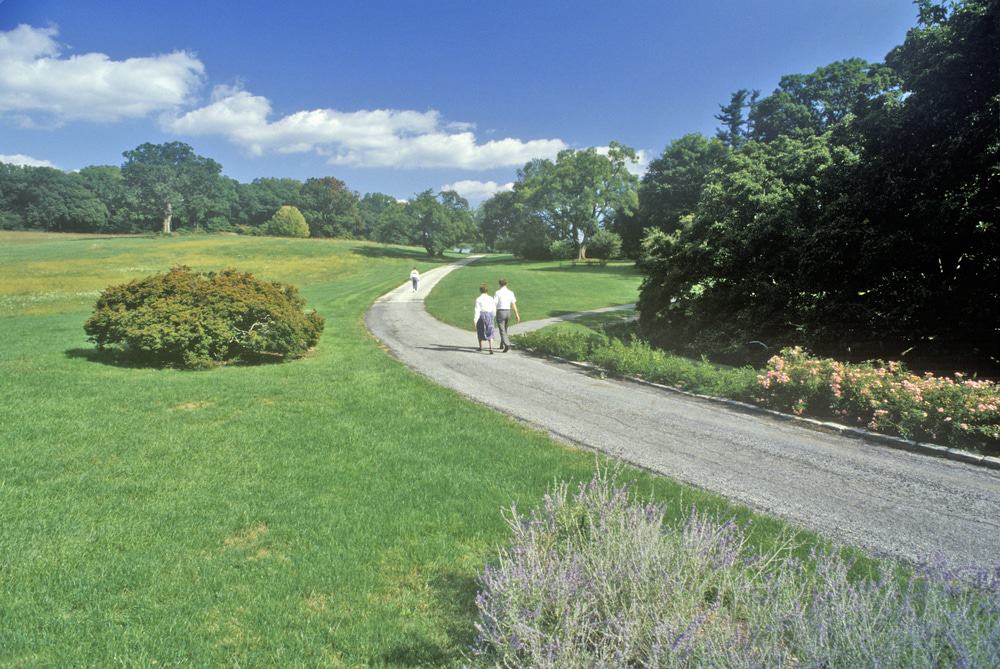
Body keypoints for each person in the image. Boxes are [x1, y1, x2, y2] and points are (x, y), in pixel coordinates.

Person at [494, 278, 520, 352]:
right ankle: (502, 344)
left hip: (500, 312)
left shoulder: (497, 292)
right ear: (506, 284)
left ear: (499, 284)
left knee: (502, 330)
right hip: (508, 312)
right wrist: (517, 314)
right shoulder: (510, 292)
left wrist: (492, 312)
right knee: (505, 330)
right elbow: (513, 304)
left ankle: (507, 344)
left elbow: (495, 303)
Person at [473, 283, 496, 354]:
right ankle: (491, 347)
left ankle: (480, 347)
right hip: (489, 314)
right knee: (490, 330)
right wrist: (493, 316)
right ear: (487, 290)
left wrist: (475, 320)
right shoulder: (491, 298)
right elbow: (494, 308)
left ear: (480, 290)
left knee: (480, 330)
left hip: (481, 315)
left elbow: (477, 310)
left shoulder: (478, 299)